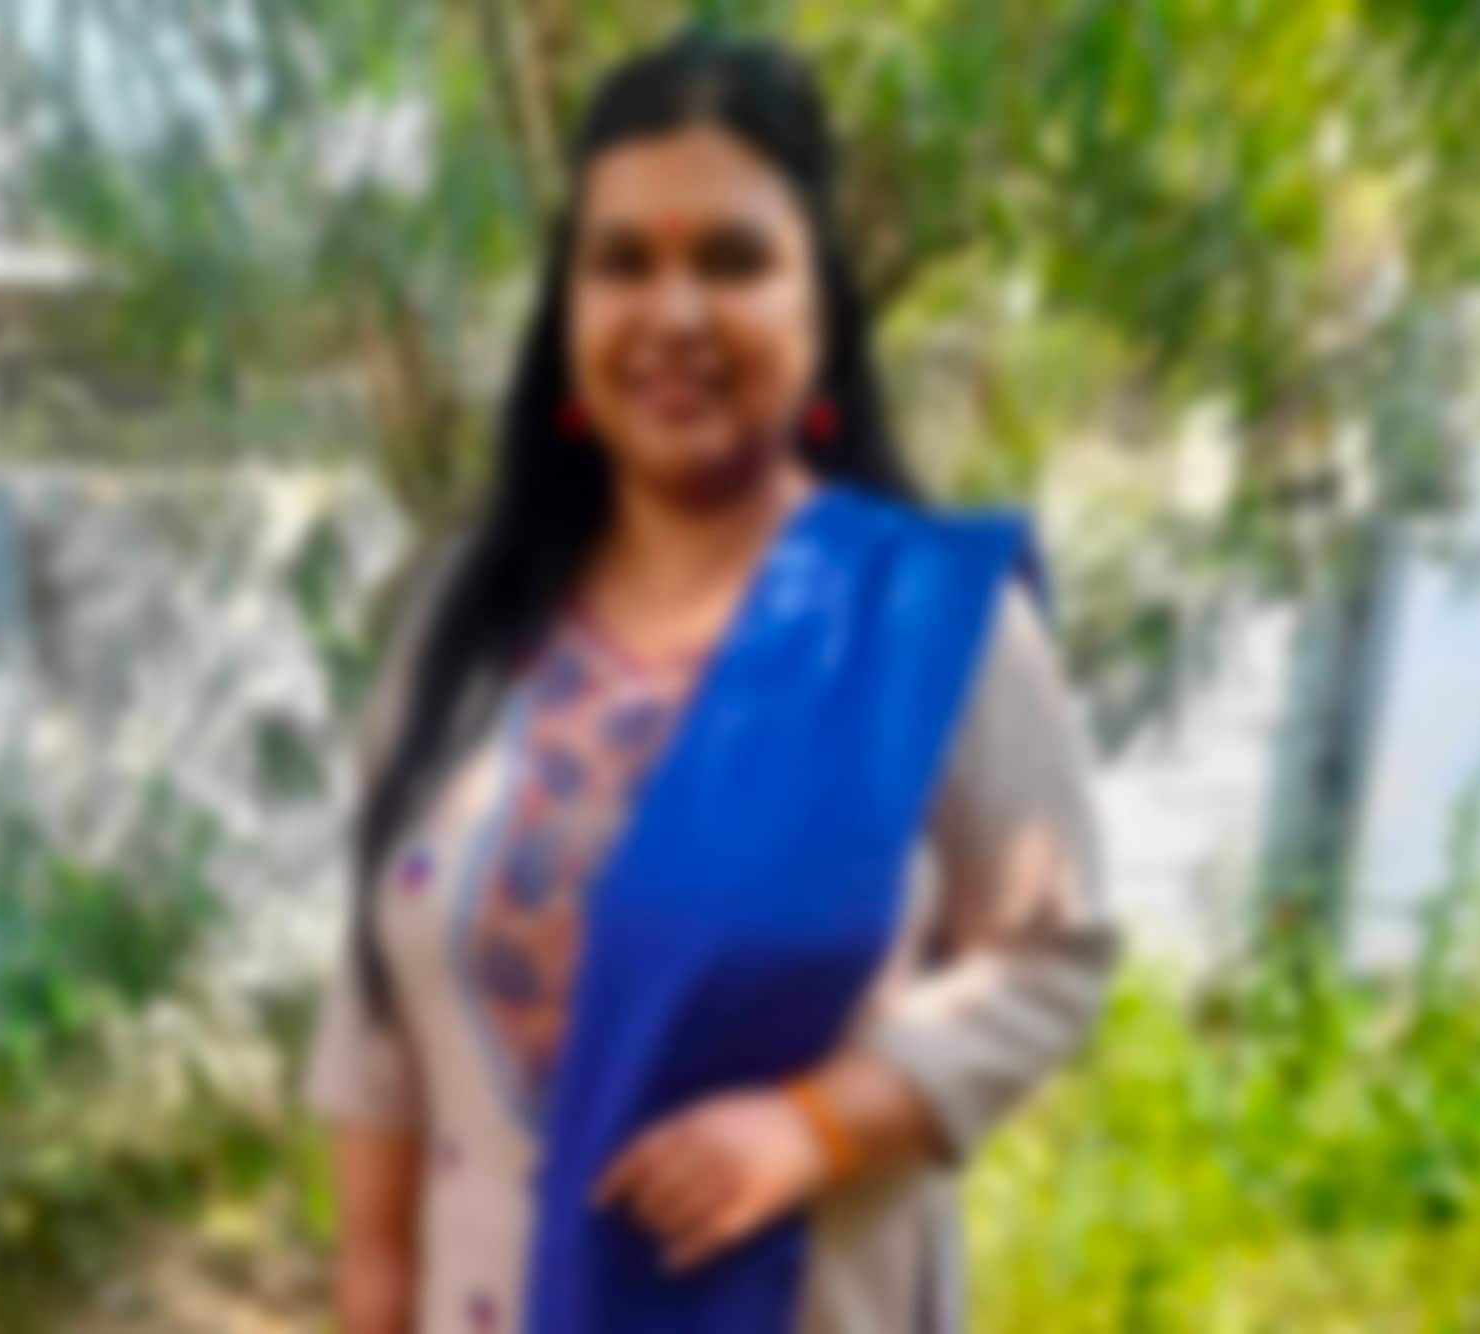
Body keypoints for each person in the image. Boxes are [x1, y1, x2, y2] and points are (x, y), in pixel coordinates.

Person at [301, 28, 1122, 1334]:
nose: (674, 313)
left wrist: (820, 1122)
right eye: (623, 262)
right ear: (569, 317)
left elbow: (1047, 954)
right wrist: (373, 1279)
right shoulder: (465, 614)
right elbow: (378, 997)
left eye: (733, 260)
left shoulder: (926, 623)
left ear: (819, 311)